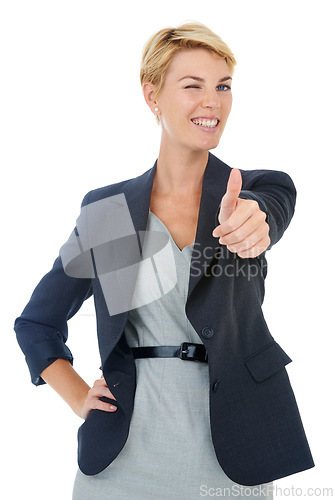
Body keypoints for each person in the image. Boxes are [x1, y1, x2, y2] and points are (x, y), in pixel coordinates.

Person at [14, 22, 314, 499]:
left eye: (223, 86)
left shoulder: (256, 192)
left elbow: (272, 211)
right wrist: (77, 396)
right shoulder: (108, 213)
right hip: (123, 458)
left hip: (231, 458)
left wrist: (257, 222)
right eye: (192, 86)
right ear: (152, 95)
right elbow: (36, 322)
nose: (212, 101)